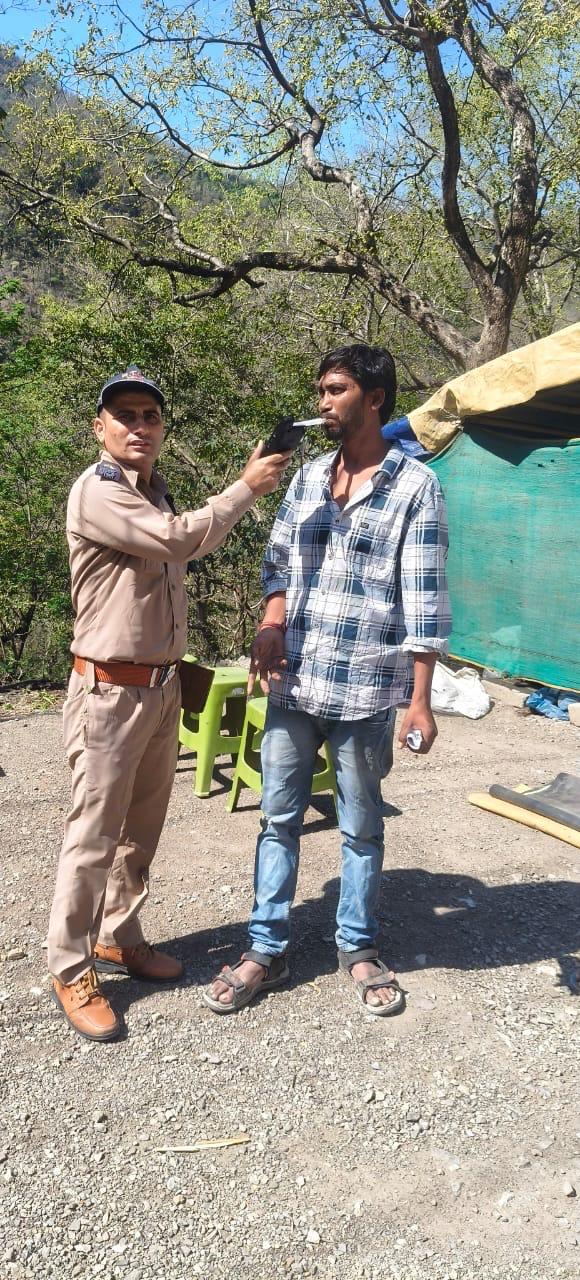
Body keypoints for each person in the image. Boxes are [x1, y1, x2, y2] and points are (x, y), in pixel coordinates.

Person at [205, 344, 451, 1018]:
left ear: (375, 398)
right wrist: (271, 621)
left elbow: (425, 599)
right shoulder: (310, 476)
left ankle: (358, 947)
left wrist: (420, 701)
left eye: (336, 390)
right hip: (295, 681)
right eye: (320, 391)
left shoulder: (415, 486)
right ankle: (265, 949)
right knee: (277, 818)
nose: (323, 403)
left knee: (360, 826)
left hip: (365, 687)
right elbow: (278, 558)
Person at [48, 365, 289, 1042]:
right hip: (107, 692)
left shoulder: (155, 494)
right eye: (124, 415)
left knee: (140, 831)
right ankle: (70, 967)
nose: (139, 426)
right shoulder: (99, 491)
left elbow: (191, 539)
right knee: (93, 837)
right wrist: (246, 487)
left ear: (162, 427)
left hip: (158, 689)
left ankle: (118, 936)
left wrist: (235, 496)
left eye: (149, 416)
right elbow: (182, 538)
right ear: (99, 427)